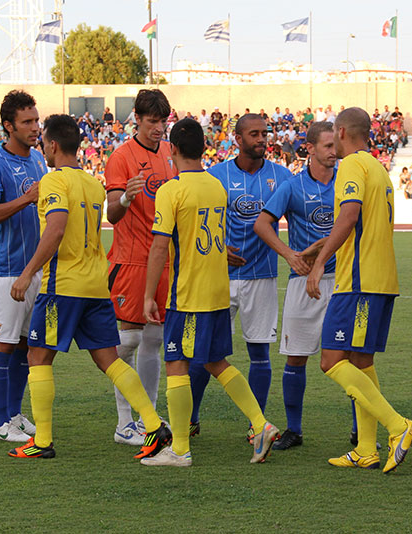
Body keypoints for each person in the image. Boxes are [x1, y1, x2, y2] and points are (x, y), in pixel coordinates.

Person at [7, 114, 171, 460]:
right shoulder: (93, 184)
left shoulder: (53, 182)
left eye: (44, 145)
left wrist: (27, 273)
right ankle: (154, 424)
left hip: (62, 285)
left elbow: (56, 228)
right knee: (109, 359)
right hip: (96, 285)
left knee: (37, 357)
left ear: (52, 145)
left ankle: (43, 440)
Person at [141, 118, 279, 467]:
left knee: (175, 363)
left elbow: (159, 248)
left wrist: (147, 296)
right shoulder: (216, 186)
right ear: (204, 148)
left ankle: (181, 449)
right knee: (216, 362)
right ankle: (260, 424)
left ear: (171, 149)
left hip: (189, 294)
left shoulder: (171, 190)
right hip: (218, 290)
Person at [306, 107, 412, 473]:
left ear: (340, 131)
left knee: (330, 361)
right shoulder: (377, 169)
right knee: (360, 362)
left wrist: (322, 261)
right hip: (380, 279)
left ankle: (398, 426)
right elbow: (359, 222)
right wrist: (321, 246)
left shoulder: (352, 165)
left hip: (358, 283)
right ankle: (366, 449)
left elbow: (350, 214)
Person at [192, 114, 292, 439]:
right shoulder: (216, 175)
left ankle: (256, 426)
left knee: (259, 353)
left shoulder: (282, 176)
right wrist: (219, 252)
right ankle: (190, 419)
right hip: (218, 276)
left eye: (265, 133)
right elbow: (198, 223)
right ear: (237, 139)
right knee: (203, 352)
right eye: (254, 134)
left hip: (261, 276)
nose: (262, 139)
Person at [254, 121, 346, 450]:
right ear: (309, 148)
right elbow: (262, 223)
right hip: (304, 283)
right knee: (296, 357)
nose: (334, 151)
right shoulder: (293, 187)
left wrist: (323, 245)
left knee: (348, 357)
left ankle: (357, 430)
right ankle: (294, 430)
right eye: (327, 146)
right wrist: (290, 255)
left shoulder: (347, 182)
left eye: (336, 144)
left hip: (343, 279)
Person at [0, 90, 46, 443]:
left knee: (24, 346)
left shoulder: (38, 160)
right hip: (4, 273)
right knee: (3, 345)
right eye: (27, 122)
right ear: (9, 126)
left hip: (32, 271)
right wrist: (26, 199)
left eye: (36, 120)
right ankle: (0, 422)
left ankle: (16, 415)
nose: (36, 127)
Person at [104, 89, 172, 446]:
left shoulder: (169, 154)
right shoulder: (121, 158)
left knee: (154, 340)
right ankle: (124, 421)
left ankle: (150, 417)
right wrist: (127, 197)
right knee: (127, 340)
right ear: (137, 118)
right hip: (132, 260)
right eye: (152, 121)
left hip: (164, 260)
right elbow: (112, 214)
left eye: (163, 121)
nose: (159, 128)